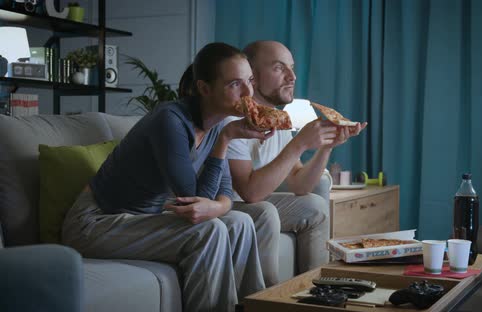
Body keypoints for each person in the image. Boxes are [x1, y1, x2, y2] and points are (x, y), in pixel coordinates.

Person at [61, 42, 274, 311]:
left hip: (141, 217)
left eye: (250, 81)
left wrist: (221, 205)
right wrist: (225, 140)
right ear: (204, 88)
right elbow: (194, 199)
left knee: (240, 222)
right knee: (209, 230)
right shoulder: (170, 120)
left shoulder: (219, 122)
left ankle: (255, 308)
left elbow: (223, 194)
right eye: (234, 84)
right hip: (95, 222)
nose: (248, 92)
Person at [226, 40, 367, 286]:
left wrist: (326, 145)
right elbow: (250, 193)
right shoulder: (233, 119)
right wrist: (299, 143)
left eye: (291, 68)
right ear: (252, 77)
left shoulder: (278, 120)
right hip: (229, 207)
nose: (292, 76)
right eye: (279, 68)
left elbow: (300, 186)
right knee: (267, 210)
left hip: (255, 204)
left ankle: (316, 293)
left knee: (314, 206)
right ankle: (270, 301)